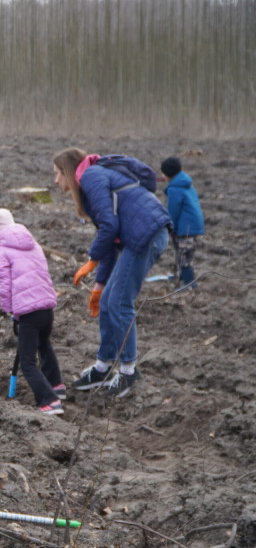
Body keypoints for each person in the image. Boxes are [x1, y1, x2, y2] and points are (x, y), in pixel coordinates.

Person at [53, 148, 171, 398]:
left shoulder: (91, 177)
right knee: (107, 300)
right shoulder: (91, 180)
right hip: (138, 237)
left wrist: (90, 261)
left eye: (57, 174)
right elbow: (109, 240)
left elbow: (109, 226)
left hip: (146, 235)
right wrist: (98, 287)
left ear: (68, 171)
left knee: (119, 302)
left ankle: (129, 372)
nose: (56, 181)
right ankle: (103, 367)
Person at [0, 209, 65, 414]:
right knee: (44, 344)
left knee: (27, 362)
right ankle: (56, 386)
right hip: (47, 307)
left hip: (28, 313)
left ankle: (49, 400)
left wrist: (10, 312)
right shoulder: (34, 245)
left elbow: (4, 286)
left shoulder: (2, 252)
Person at [160, 157, 204, 289]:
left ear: (167, 174)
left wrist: (170, 227)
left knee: (184, 255)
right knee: (181, 252)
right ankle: (179, 276)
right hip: (193, 225)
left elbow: (173, 211)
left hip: (186, 228)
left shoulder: (174, 189)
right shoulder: (186, 183)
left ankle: (189, 283)